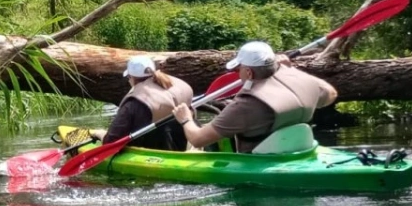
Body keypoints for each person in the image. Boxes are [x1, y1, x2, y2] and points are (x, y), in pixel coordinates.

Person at [172, 41, 336, 152]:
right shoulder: (303, 83)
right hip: (301, 151)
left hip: (260, 161)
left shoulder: (245, 106)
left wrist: (186, 119)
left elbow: (198, 139)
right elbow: (331, 94)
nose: (238, 73)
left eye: (239, 69)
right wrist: (291, 70)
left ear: (249, 72)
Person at [101, 56, 195, 151]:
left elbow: (110, 143)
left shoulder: (133, 104)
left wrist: (100, 134)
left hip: (152, 154)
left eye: (128, 77)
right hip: (181, 149)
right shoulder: (172, 88)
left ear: (131, 77)